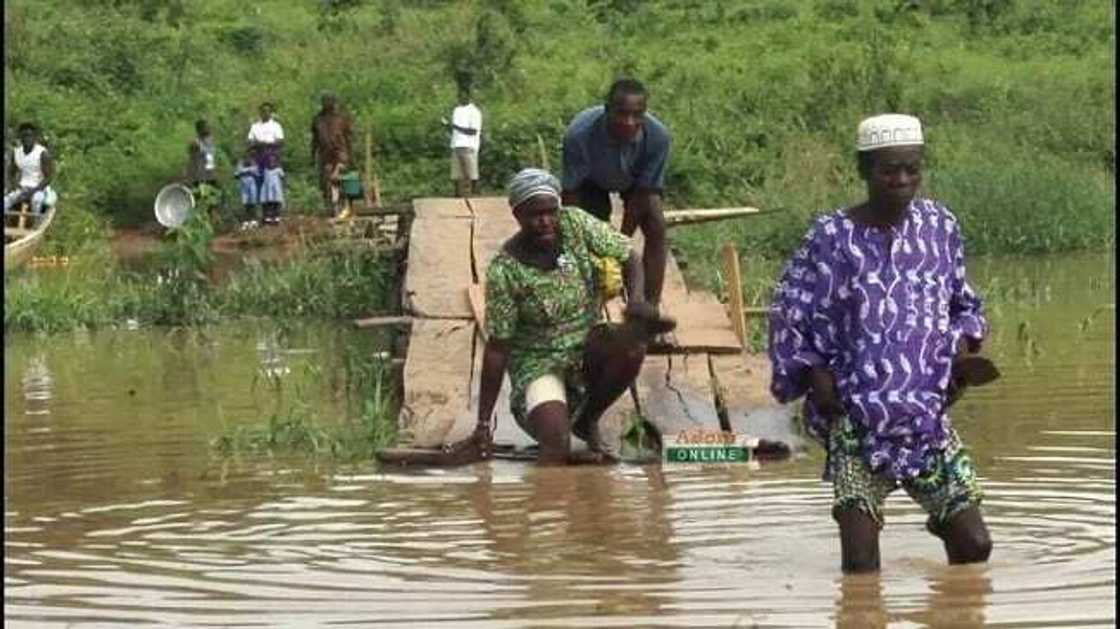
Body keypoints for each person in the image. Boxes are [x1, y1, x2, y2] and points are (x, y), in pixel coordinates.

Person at [767, 114, 997, 573]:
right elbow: (793, 310)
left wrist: (963, 355)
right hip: (855, 416)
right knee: (860, 566)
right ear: (864, 170)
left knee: (974, 545)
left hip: (924, 419)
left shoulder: (940, 226)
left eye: (912, 168)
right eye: (889, 169)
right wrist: (816, 374)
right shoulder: (832, 236)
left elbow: (963, 303)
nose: (902, 179)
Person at [443, 168, 675, 466]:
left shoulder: (575, 224)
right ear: (517, 215)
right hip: (539, 365)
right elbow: (498, 348)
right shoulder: (505, 271)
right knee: (556, 446)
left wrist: (638, 301)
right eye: (534, 215)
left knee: (632, 344)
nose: (545, 222)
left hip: (585, 349)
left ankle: (588, 418)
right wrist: (483, 425)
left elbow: (629, 255)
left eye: (551, 212)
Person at [561, 78, 671, 307]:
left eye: (637, 115)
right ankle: (588, 303)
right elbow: (571, 195)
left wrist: (621, 242)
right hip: (590, 183)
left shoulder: (658, 137)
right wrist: (586, 237)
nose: (629, 122)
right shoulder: (579, 134)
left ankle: (649, 307)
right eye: (621, 114)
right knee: (592, 233)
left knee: (656, 223)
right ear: (607, 110)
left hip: (636, 184)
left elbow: (643, 193)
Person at [310, 92, 354, 218]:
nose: (327, 104)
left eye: (330, 101)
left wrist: (351, 156)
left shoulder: (341, 118)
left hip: (340, 153)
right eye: (325, 101)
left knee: (341, 180)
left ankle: (344, 208)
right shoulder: (318, 120)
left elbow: (348, 138)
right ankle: (331, 208)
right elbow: (315, 140)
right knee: (326, 183)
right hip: (325, 155)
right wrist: (312, 156)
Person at [4, 122, 57, 214]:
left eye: (29, 136)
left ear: (34, 137)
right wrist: (15, 185)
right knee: (5, 201)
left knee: (36, 201)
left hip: (39, 188)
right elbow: (11, 172)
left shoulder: (42, 153)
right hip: (22, 187)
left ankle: (36, 224)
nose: (26, 139)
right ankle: (8, 223)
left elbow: (48, 178)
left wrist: (33, 191)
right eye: (24, 136)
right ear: (20, 137)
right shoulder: (16, 152)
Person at [247, 102, 285, 225]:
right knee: (261, 187)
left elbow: (279, 142)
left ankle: (276, 214)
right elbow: (250, 142)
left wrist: (263, 144)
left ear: (271, 112)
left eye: (268, 111)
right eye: (263, 111)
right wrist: (260, 145)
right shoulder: (255, 126)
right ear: (260, 112)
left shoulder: (276, 126)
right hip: (259, 158)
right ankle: (266, 215)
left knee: (274, 187)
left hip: (272, 158)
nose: (265, 113)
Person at [445, 89, 482, 197]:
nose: (460, 98)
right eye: (459, 96)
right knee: (456, 173)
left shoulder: (474, 111)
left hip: (469, 144)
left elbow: (473, 131)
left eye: (463, 96)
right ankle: (457, 194)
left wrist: (455, 127)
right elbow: (454, 127)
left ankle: (475, 194)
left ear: (469, 97)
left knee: (471, 172)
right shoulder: (456, 110)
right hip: (456, 144)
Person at [184, 119, 218, 189]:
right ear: (199, 130)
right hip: (200, 177)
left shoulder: (210, 141)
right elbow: (190, 161)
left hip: (210, 176)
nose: (208, 128)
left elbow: (211, 159)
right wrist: (188, 176)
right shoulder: (195, 143)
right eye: (206, 127)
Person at [234, 151, 260, 225]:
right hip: (243, 185)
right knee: (245, 203)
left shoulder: (254, 162)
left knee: (253, 202)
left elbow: (256, 173)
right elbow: (237, 174)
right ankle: (246, 220)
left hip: (252, 184)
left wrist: (246, 171)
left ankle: (253, 219)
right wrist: (247, 171)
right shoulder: (240, 163)